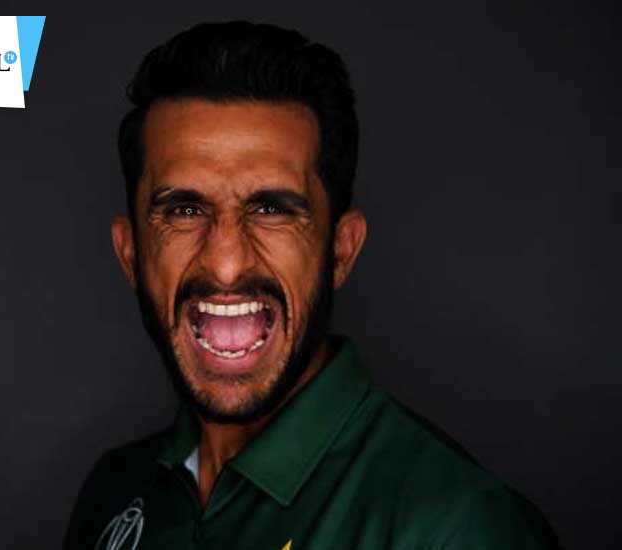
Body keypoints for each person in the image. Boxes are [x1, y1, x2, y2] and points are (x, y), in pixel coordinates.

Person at [65, 21, 559, 550]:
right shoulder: (114, 490)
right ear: (131, 253)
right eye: (185, 210)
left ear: (341, 251)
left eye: (272, 209)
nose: (226, 264)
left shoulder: (456, 527)